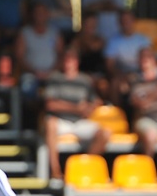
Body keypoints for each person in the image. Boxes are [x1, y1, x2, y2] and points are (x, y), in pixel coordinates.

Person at [42, 49, 110, 182]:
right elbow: (50, 104)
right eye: (66, 60)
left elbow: (96, 101)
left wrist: (89, 108)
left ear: (77, 62)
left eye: (72, 60)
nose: (69, 63)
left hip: (80, 122)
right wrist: (75, 108)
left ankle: (83, 167)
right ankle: (55, 171)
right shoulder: (55, 78)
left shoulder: (85, 80)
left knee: (105, 133)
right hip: (61, 121)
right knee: (50, 124)